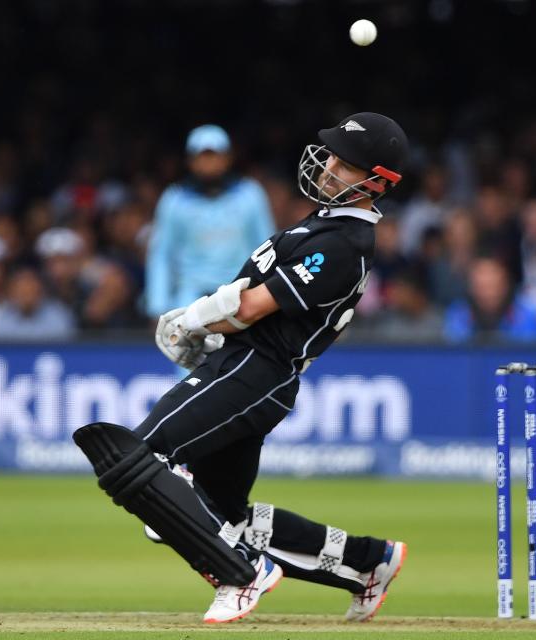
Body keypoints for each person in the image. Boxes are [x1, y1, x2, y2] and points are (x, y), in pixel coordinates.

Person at [79, 113, 409, 624]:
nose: (327, 169)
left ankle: (242, 573)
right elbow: (246, 302)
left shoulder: (344, 245)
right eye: (332, 158)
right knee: (221, 511)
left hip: (257, 369)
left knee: (138, 461)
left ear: (377, 182)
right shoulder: (323, 225)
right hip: (242, 364)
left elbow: (254, 306)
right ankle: (367, 560)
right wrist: (209, 333)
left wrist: (195, 319)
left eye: (344, 166)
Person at [146, 124, 275, 318]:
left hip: (240, 291)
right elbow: (162, 253)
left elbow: (267, 246)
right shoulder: (174, 199)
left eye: (214, 155)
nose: (209, 163)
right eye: (202, 157)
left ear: (227, 158)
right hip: (189, 295)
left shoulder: (250, 194)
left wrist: (267, 297)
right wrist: (157, 306)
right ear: (190, 161)